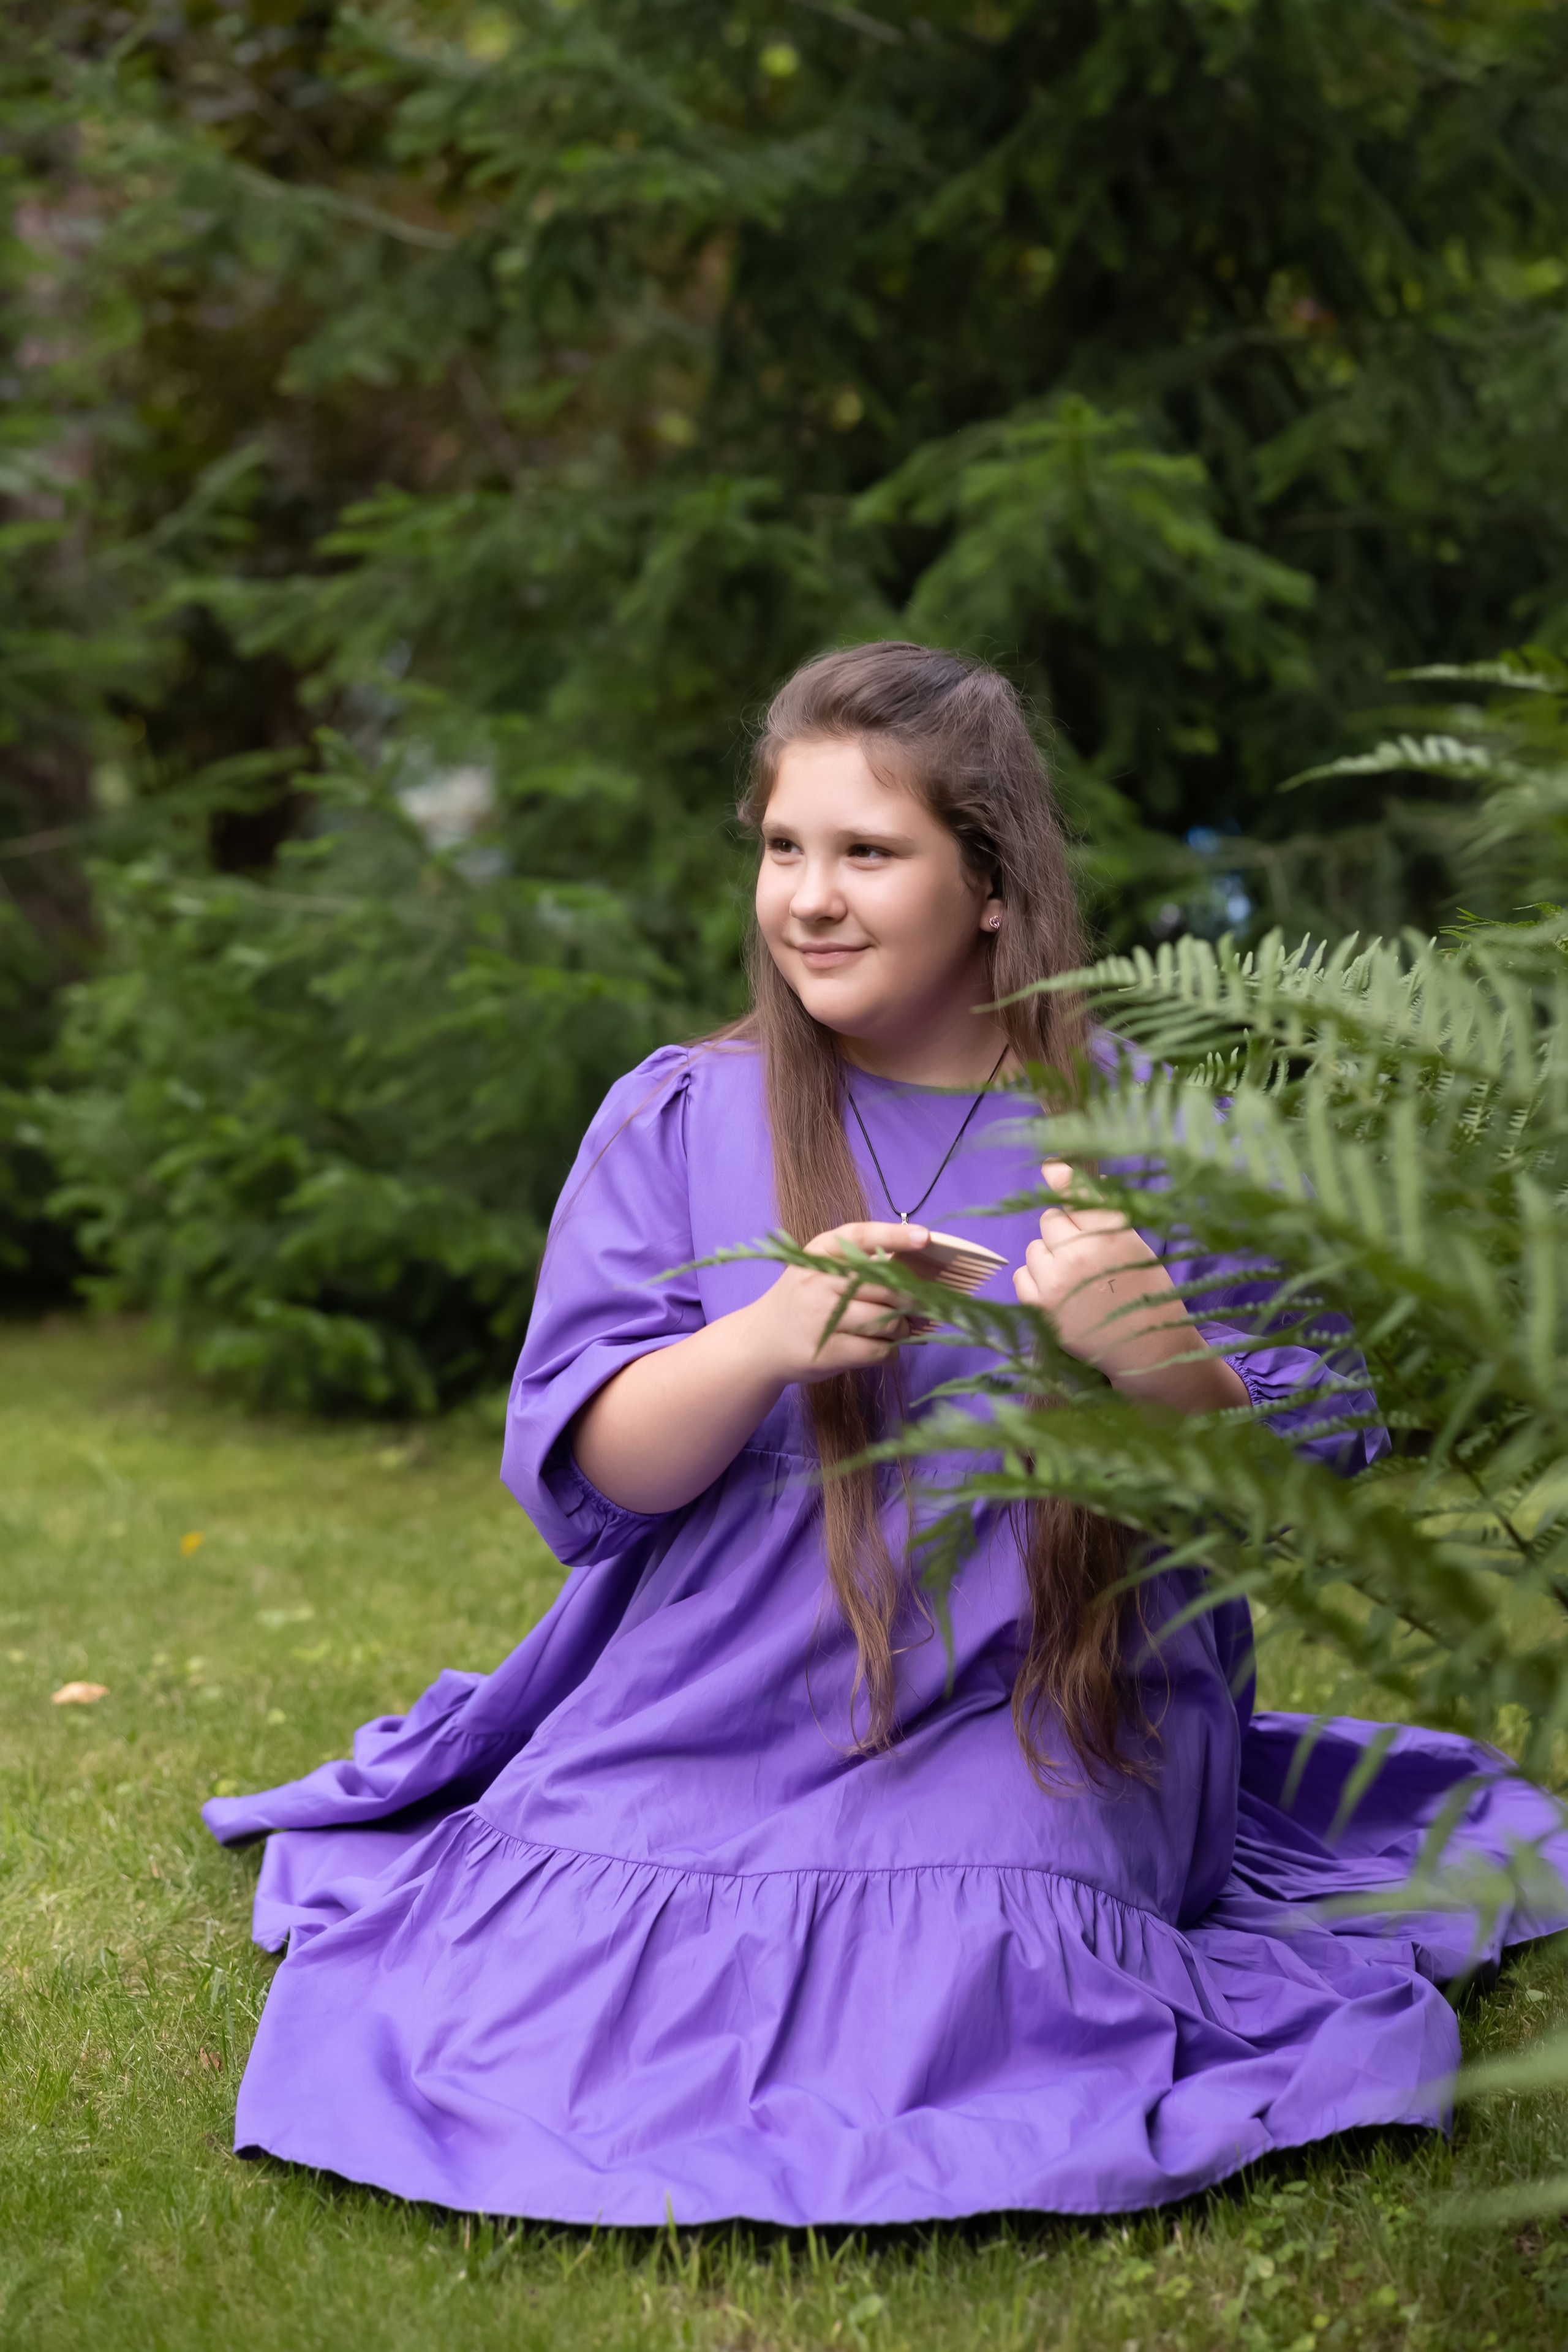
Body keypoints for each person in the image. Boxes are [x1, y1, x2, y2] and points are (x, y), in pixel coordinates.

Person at [205, 641, 1563, 2225]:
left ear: (992, 885)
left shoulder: (1157, 1131)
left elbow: (1307, 1505)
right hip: (727, 1694)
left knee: (998, 1961)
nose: (811, 898)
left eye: (869, 852)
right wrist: (766, 1341)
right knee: (563, 1959)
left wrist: (1165, 1363)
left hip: (1047, 1710)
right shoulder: (683, 1118)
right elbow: (602, 1486)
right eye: (785, 848)